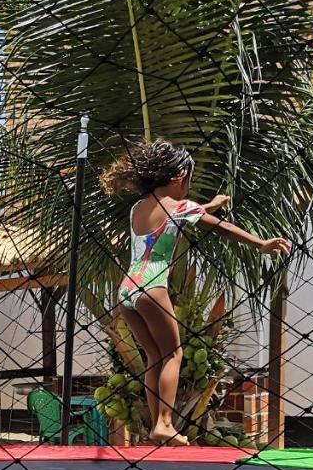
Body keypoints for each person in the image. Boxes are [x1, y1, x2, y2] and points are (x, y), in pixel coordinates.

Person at [100, 140, 291, 445]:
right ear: (178, 176)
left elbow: (185, 214)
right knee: (173, 353)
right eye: (188, 179)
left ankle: (156, 426)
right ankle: (164, 423)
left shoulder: (138, 208)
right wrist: (261, 244)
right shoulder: (181, 207)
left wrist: (210, 205)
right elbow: (219, 227)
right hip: (153, 285)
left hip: (127, 290)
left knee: (153, 356)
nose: (187, 187)